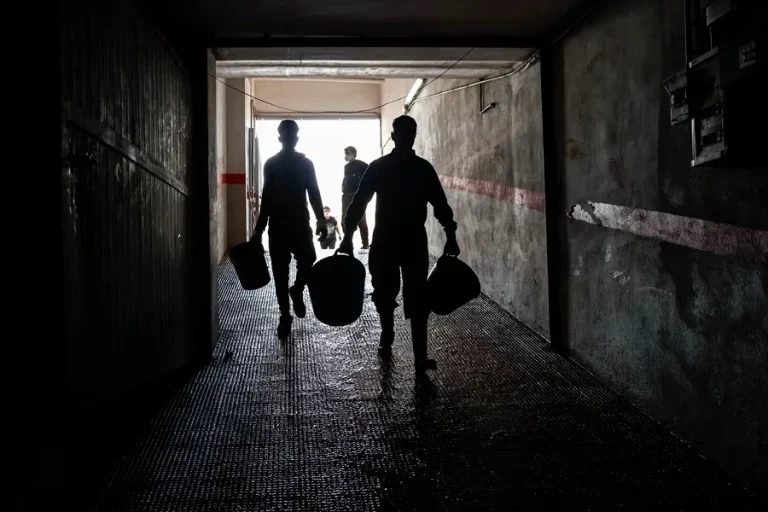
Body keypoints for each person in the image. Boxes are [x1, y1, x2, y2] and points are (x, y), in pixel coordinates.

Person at [339, 115, 460, 373]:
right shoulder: (422, 168)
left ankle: (388, 335)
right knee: (417, 295)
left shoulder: (380, 166)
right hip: (413, 240)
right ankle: (418, 355)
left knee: (384, 290)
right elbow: (441, 205)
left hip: (386, 239)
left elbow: (359, 202)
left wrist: (348, 236)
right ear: (410, 137)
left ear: (393, 137)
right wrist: (450, 234)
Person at [252, 120, 326, 339]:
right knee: (281, 272)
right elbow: (267, 197)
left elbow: (314, 192)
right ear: (283, 139)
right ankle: (285, 316)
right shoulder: (275, 164)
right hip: (285, 224)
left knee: (304, 260)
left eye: (290, 136)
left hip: (290, 224)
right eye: (287, 137)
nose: (289, 139)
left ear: (294, 139)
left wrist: (321, 219)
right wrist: (259, 229)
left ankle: (297, 290)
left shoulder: (297, 164)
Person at [341, 146, 370, 250]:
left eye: (348, 153)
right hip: (346, 196)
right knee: (345, 219)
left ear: (353, 153)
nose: (346, 155)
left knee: (361, 219)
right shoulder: (346, 167)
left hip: (357, 196)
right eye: (345, 153)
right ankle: (348, 242)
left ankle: (365, 244)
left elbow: (370, 173)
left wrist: (364, 192)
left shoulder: (361, 165)